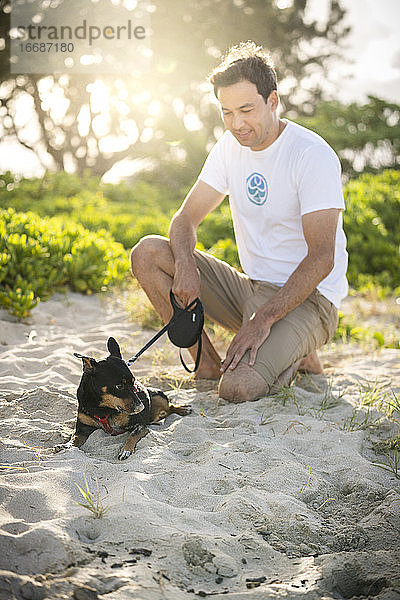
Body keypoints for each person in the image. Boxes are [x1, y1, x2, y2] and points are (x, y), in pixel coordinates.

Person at [130, 41, 348, 403]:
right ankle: (207, 365)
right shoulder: (229, 147)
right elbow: (185, 218)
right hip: (250, 289)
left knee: (237, 389)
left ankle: (295, 348)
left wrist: (263, 319)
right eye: (227, 112)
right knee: (148, 253)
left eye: (246, 109)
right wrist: (185, 264)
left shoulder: (311, 155)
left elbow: (323, 257)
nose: (237, 123)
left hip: (310, 300)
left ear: (273, 101)